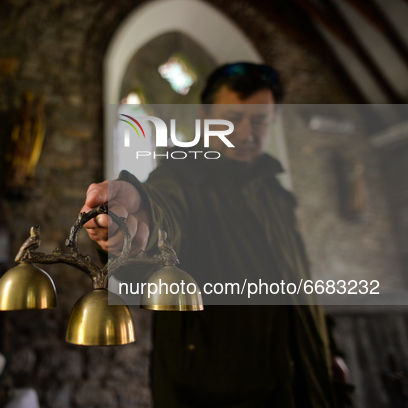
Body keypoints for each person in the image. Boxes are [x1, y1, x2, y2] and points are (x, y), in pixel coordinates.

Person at [82, 62, 342, 407]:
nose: (247, 132)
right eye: (232, 119)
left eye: (260, 121)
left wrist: (329, 352)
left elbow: (300, 284)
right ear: (205, 117)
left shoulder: (277, 197)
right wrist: (140, 215)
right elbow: (165, 212)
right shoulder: (182, 177)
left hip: (306, 388)